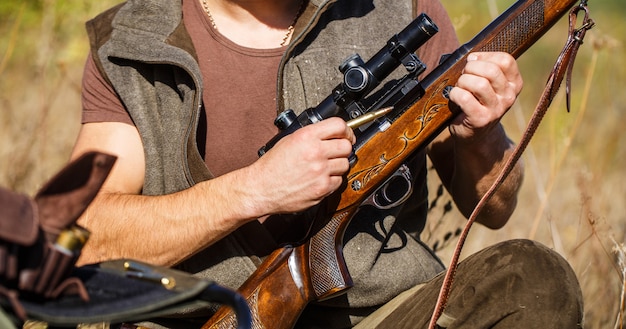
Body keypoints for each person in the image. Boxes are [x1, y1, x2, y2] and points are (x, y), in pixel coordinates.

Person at [70, 0, 583, 327]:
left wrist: (482, 133)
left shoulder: (402, 9)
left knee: (534, 279)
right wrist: (253, 191)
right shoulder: (133, 43)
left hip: (376, 317)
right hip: (189, 318)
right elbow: (81, 238)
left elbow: (494, 206)